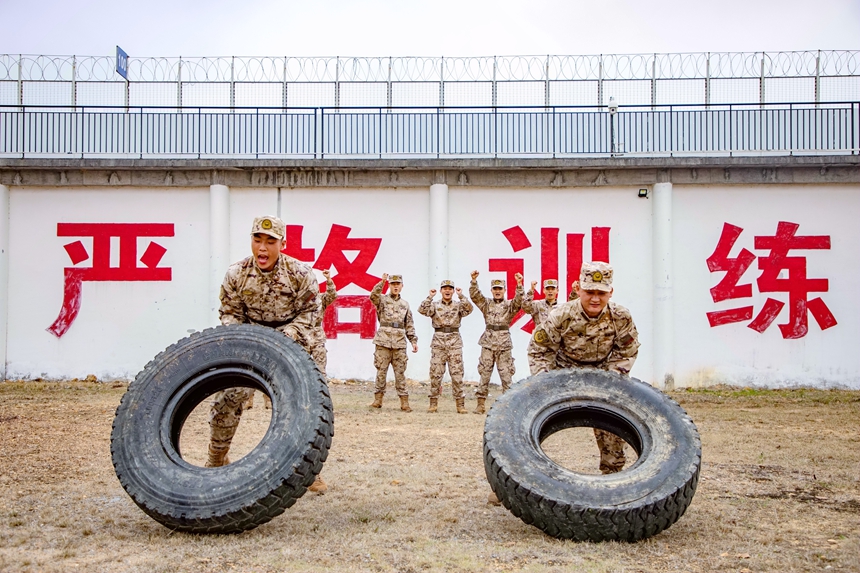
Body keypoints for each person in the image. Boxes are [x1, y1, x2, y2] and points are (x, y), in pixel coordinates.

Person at [208, 215, 329, 494]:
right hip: (254, 341)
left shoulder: (300, 274)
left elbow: (311, 313)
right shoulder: (236, 274)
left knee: (310, 406)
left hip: (300, 340)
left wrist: (286, 336)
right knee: (228, 398)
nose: (262, 248)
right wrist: (247, 339)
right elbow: (229, 313)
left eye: (270, 241)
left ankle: (311, 469)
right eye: (257, 240)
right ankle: (216, 458)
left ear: (282, 244)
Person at [531, 261, 640, 474]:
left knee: (614, 418)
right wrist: (544, 382)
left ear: (611, 292)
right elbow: (540, 350)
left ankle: (612, 475)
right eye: (589, 291)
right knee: (527, 415)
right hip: (562, 370)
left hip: (603, 372)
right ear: (578, 289)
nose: (595, 298)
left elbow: (626, 352)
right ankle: (513, 473)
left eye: (601, 292)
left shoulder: (620, 316)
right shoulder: (562, 315)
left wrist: (610, 379)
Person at [469, 270, 523, 414]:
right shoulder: (486, 304)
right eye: (495, 289)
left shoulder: (509, 305)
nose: (497, 291)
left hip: (504, 344)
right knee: (484, 374)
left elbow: (519, 301)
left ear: (505, 290)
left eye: (500, 289)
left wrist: (519, 285)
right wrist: (474, 281)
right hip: (488, 343)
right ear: (492, 290)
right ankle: (480, 404)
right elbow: (475, 296)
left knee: (506, 376)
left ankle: (508, 405)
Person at [418, 280, 473, 413]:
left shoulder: (458, 305)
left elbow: (469, 309)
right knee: (436, 373)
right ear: (441, 290)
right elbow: (422, 310)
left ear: (453, 291)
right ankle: (433, 403)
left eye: (450, 289)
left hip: (454, 341)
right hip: (438, 341)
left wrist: (462, 296)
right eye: (445, 289)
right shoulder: (435, 305)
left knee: (457, 374)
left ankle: (460, 404)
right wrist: (429, 297)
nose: (447, 291)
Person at [369, 273, 419, 412]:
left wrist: (413, 341)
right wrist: (382, 282)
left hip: (399, 342)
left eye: (398, 284)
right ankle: (378, 400)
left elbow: (409, 324)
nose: (395, 287)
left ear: (402, 286)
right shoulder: (382, 300)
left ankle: (404, 402)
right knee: (381, 372)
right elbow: (373, 295)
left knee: (400, 373)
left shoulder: (405, 305)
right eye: (393, 284)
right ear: (389, 285)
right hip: (383, 341)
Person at [522, 278, 561, 376]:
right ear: (544, 290)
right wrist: (531, 290)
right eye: (548, 289)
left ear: (557, 290)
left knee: (554, 381)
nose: (550, 291)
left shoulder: (561, 308)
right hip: (538, 349)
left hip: (554, 350)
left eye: (553, 288)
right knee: (538, 380)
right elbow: (525, 307)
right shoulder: (537, 305)